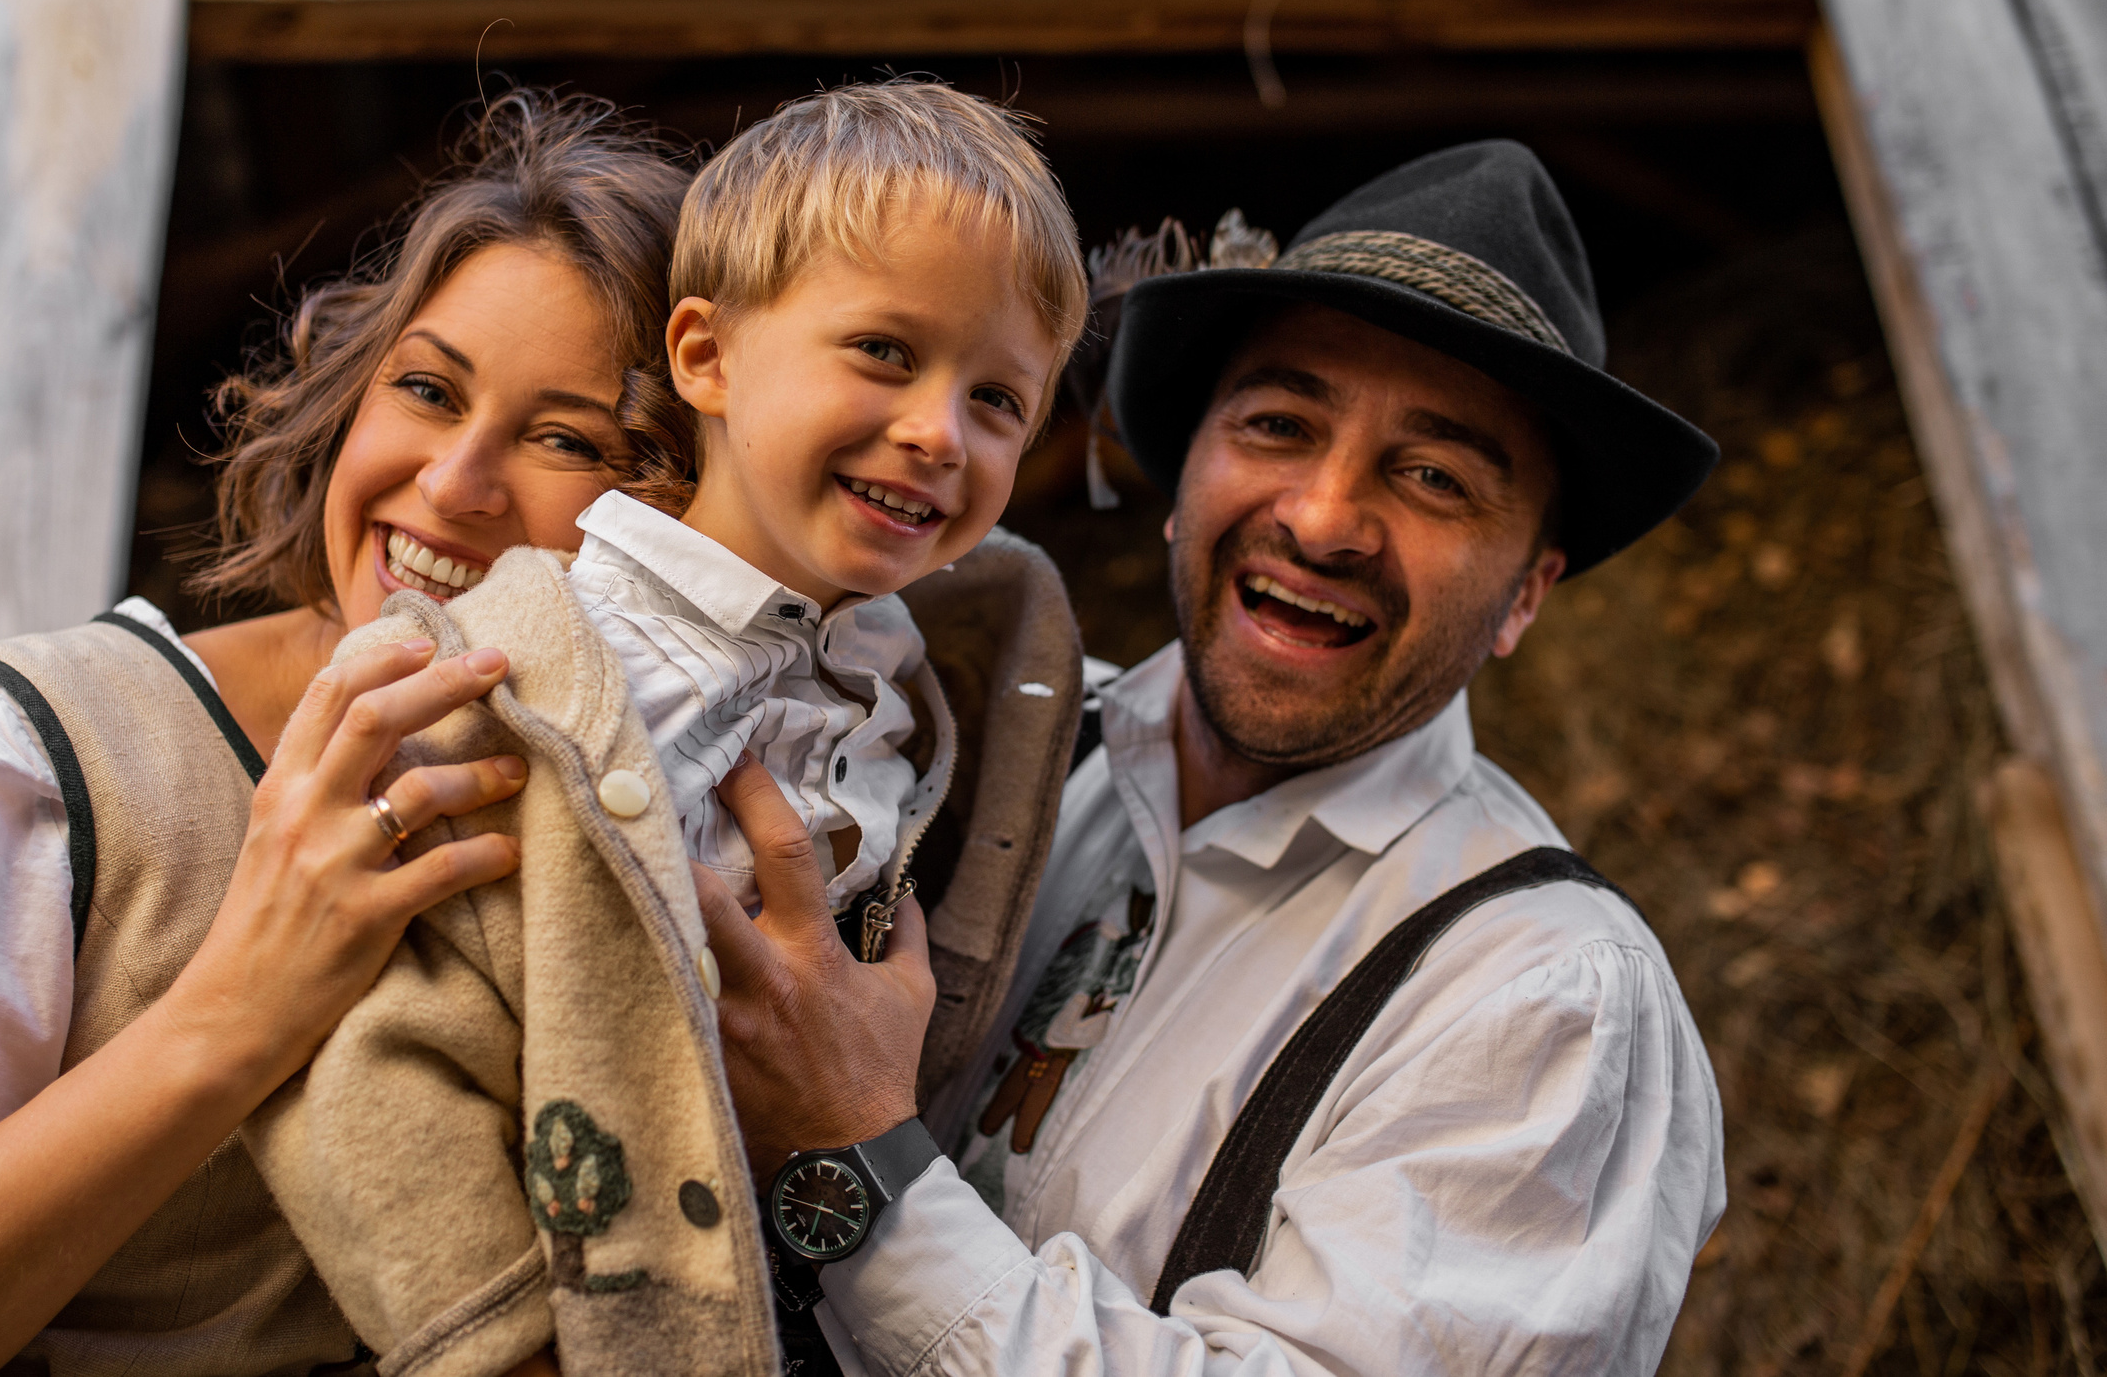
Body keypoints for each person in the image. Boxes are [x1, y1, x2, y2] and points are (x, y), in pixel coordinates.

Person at [0, 90, 692, 1377]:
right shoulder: (25, 763)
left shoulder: (702, 829)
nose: (452, 483)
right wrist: (232, 1017)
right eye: (425, 388)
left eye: (567, 440)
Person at [697, 141, 1729, 1373]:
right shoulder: (951, 742)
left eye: (1433, 476)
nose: (1324, 518)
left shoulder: (1545, 999)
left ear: (1524, 596)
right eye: (1279, 425)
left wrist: (854, 1161)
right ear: (1182, 482)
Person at [241, 80, 1094, 1376]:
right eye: (884, 352)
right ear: (705, 358)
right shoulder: (523, 674)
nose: (938, 432)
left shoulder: (919, 679)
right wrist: (498, 1341)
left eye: (998, 401)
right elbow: (366, 1052)